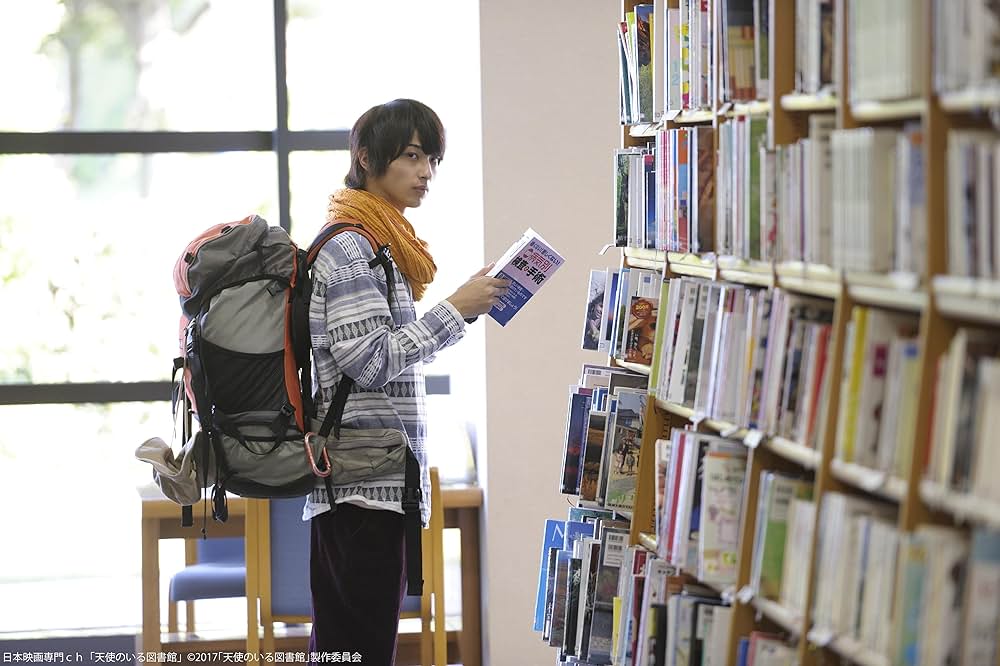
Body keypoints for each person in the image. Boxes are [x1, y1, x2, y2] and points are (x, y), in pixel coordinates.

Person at [305, 98, 509, 665]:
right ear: (367, 159)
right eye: (413, 156)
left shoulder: (382, 246)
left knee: (349, 643)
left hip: (373, 479)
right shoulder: (352, 247)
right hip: (359, 482)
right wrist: (454, 311)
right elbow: (370, 362)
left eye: (432, 160)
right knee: (360, 646)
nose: (426, 173)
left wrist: (457, 309)